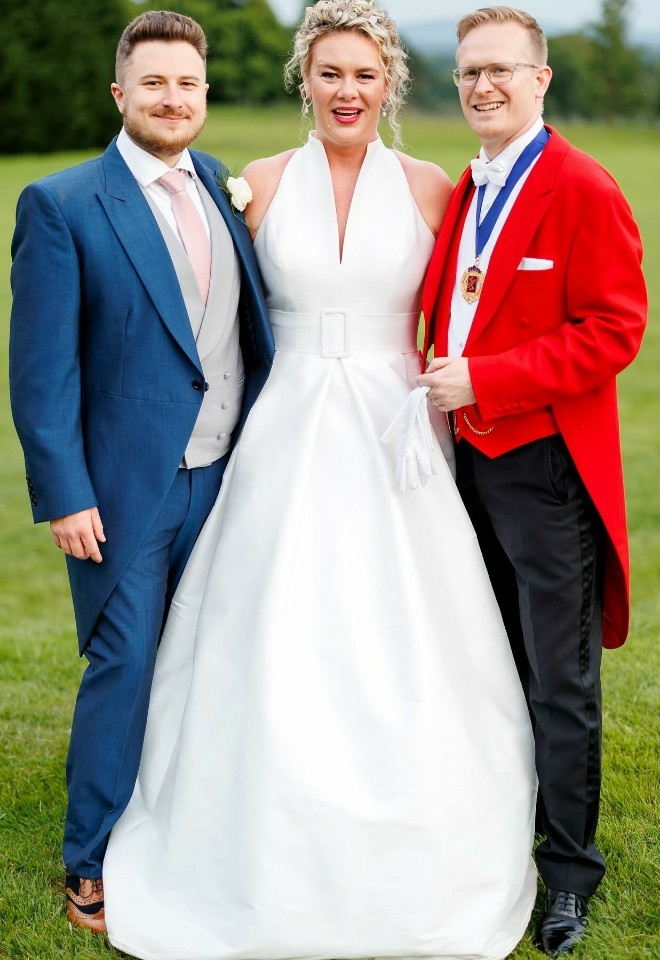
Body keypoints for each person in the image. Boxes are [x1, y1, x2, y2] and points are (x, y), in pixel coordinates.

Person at [102, 2, 538, 958]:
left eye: (365, 75)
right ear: (307, 78)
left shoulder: (434, 188)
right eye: (330, 73)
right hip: (287, 427)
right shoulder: (253, 184)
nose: (348, 91)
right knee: (269, 623)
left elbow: (477, 302)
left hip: (398, 431)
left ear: (390, 86)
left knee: (411, 626)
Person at [9, 9, 274, 935]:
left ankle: (191, 829)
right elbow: (42, 372)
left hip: (233, 475)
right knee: (123, 662)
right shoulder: (62, 203)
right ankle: (90, 857)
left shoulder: (216, 181)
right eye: (154, 83)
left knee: (213, 662)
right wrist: (66, 492)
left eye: (188, 84)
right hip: (125, 489)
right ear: (121, 94)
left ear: (205, 96)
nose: (173, 99)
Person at [418, 6, 647, 956]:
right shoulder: (471, 188)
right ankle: (491, 835)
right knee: (483, 662)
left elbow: (615, 330)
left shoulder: (583, 187)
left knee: (560, 681)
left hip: (545, 469)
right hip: (463, 465)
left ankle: (569, 876)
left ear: (540, 79)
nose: (483, 86)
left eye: (502, 71)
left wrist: (490, 380)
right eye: (470, 72)